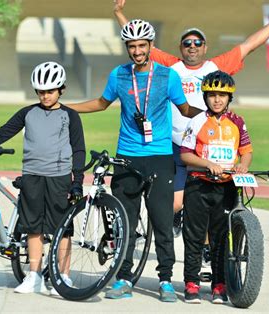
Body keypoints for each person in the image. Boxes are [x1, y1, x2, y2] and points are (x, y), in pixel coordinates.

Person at [113, 0, 269, 238]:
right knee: (174, 204)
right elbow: (138, 41)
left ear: (205, 47)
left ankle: (207, 247)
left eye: (198, 42)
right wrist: (119, 13)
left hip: (208, 147)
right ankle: (176, 217)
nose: (192, 46)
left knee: (211, 201)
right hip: (176, 145)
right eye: (187, 43)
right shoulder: (171, 66)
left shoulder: (217, 66)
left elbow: (250, 45)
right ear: (181, 47)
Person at [65, 19, 201, 302]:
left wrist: (217, 110)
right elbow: (101, 104)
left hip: (160, 156)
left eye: (142, 45)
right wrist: (64, 107)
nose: (137, 51)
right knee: (123, 222)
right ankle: (123, 278)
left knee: (162, 221)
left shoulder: (167, 76)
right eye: (132, 46)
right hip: (127, 157)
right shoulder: (119, 75)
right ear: (127, 47)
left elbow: (186, 108)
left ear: (150, 46)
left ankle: (165, 280)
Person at [0, 61, 86, 295]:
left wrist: (77, 181)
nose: (45, 96)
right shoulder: (28, 113)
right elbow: (3, 132)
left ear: (61, 90)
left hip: (59, 178)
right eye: (41, 91)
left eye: (50, 91)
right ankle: (35, 276)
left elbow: (78, 150)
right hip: (32, 176)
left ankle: (63, 277)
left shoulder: (70, 116)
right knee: (33, 227)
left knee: (62, 229)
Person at [179, 70, 253, 304]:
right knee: (194, 235)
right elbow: (185, 155)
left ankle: (219, 285)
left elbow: (247, 151)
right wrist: (207, 164)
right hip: (199, 186)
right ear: (206, 97)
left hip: (226, 188)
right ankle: (191, 283)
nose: (217, 99)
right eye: (212, 95)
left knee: (222, 237)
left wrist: (243, 165)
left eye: (222, 95)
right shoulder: (197, 121)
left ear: (229, 98)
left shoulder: (237, 121)